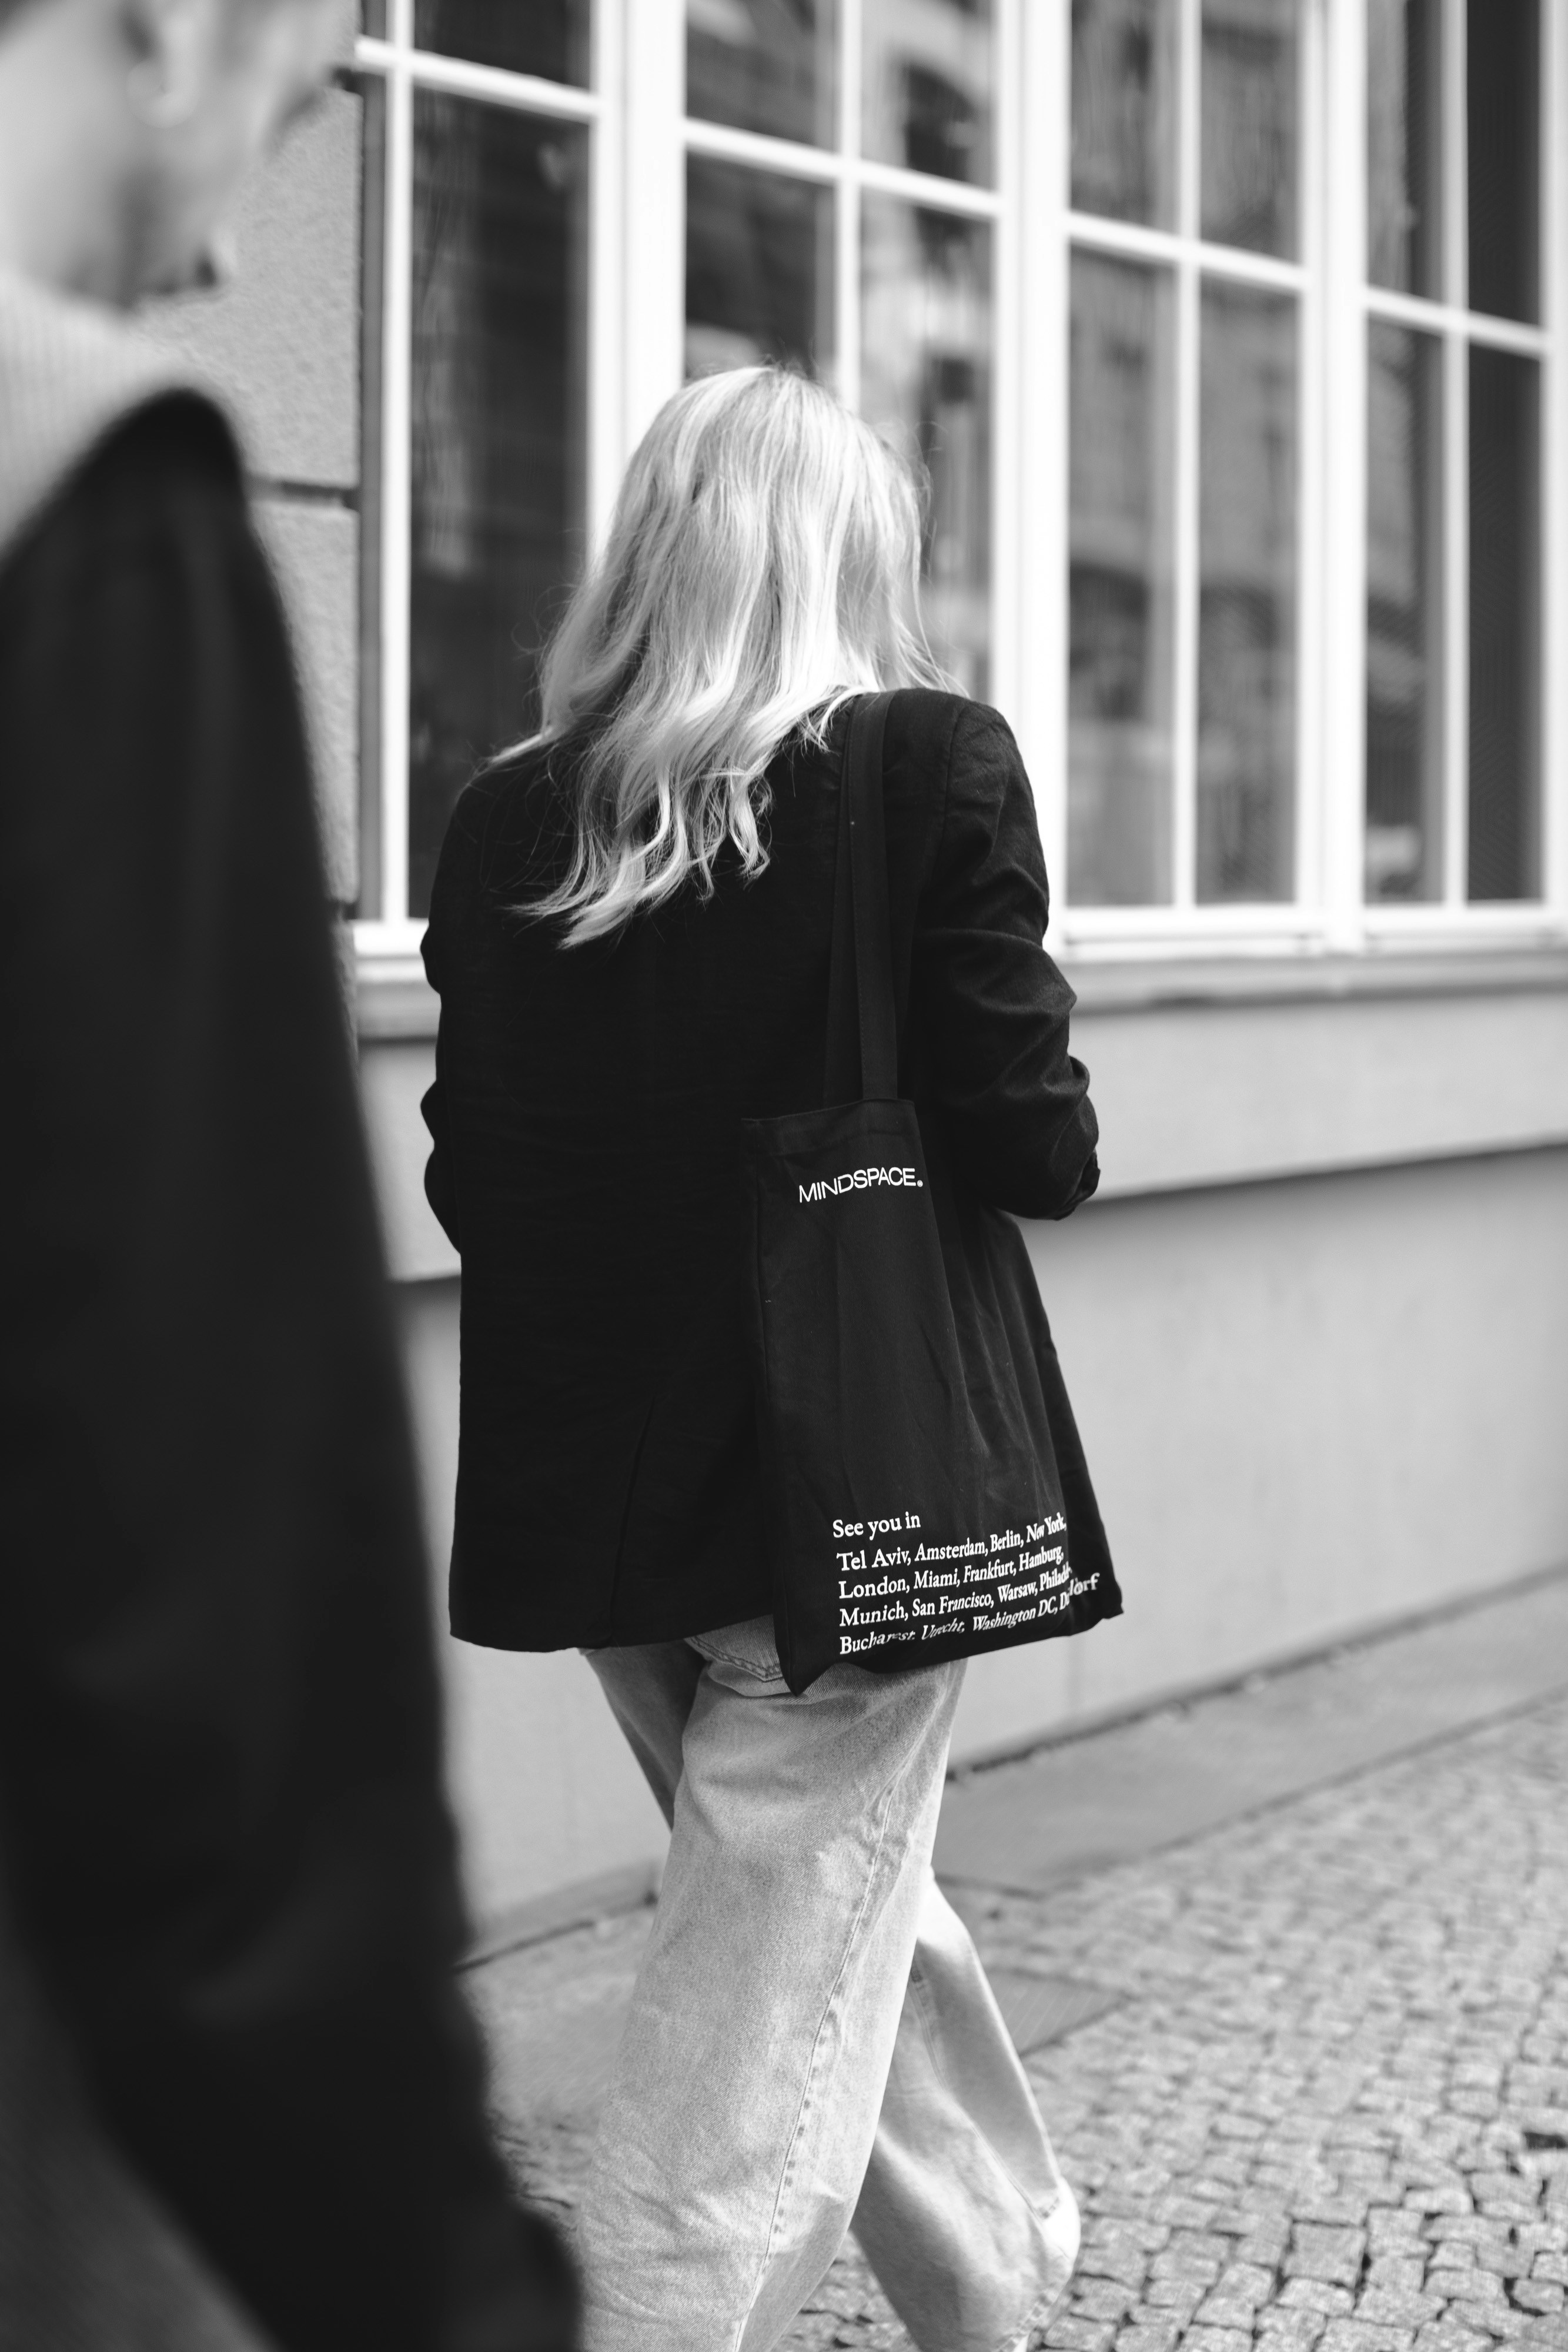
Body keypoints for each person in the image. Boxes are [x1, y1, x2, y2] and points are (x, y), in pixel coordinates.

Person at [420, 366, 1108, 2352]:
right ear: (845, 561)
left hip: (593, 1492)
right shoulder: (928, 767)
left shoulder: (502, 815)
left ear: (650, 559)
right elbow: (1033, 1148)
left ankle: (992, 2272)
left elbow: (478, 1167)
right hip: (856, 1483)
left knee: (793, 1920)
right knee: (754, 2002)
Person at [0, 1, 577, 2346]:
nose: (350, 77)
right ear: (150, 26)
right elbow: (209, 1568)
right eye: (303, 50)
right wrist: (433, 2282)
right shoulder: (92, 511)